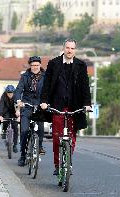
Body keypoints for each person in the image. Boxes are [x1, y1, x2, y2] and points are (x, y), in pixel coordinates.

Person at [40, 38, 92, 175]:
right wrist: (44, 101)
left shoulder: (81, 65)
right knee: (57, 137)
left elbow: (85, 87)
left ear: (75, 50)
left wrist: (87, 104)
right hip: (57, 105)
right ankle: (58, 165)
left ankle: (67, 160)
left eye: (72, 48)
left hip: (74, 106)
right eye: (68, 48)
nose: (70, 50)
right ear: (63, 48)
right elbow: (46, 84)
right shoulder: (53, 63)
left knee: (72, 136)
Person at [15, 56, 46, 167]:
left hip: (40, 105)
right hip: (27, 105)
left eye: (37, 65)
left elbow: (49, 90)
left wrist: (46, 102)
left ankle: (40, 146)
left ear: (40, 65)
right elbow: (19, 89)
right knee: (24, 131)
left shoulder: (46, 76)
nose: (35, 67)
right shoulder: (25, 76)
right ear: (30, 65)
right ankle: (23, 155)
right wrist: (18, 100)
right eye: (33, 65)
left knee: (41, 128)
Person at [0, 85, 19, 153]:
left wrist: (18, 114)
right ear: (6, 92)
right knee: (5, 121)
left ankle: (15, 145)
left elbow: (17, 105)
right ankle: (4, 131)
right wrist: (0, 115)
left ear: (14, 92)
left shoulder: (16, 96)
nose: (10, 94)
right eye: (8, 93)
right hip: (6, 111)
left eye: (11, 93)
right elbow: (1, 105)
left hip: (14, 111)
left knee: (15, 127)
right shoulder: (3, 96)